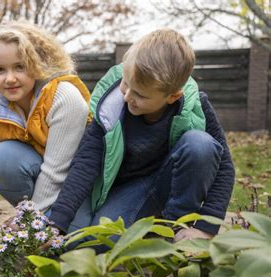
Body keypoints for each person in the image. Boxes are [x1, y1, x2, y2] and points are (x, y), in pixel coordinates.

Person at [48, 29, 235, 245]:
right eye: (126, 84)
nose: (127, 96)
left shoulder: (196, 107)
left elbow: (225, 169)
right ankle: (148, 229)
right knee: (100, 243)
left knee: (200, 145)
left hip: (173, 186)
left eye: (140, 95)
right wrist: (58, 221)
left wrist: (206, 228)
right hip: (128, 190)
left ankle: (175, 229)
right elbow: (86, 162)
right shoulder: (112, 107)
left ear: (173, 96)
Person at [0, 21, 91, 268]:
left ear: (36, 64)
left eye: (20, 67)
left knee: (82, 244)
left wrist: (25, 226)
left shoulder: (64, 97)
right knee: (3, 160)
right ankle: (40, 228)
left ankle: (45, 228)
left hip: (78, 190)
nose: (10, 79)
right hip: (44, 192)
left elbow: (55, 175)